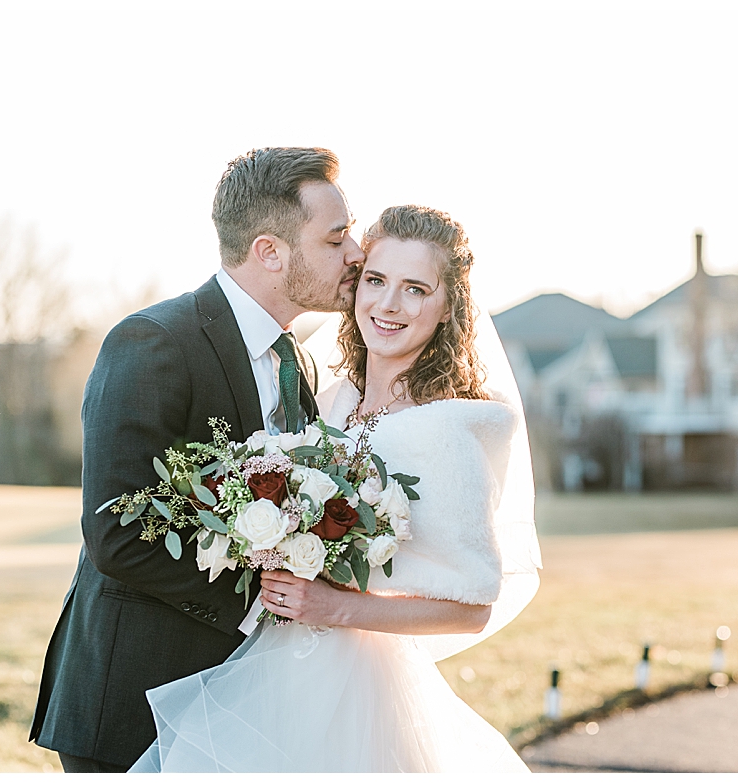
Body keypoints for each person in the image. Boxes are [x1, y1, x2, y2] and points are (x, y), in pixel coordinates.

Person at [128, 205, 542, 773]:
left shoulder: (449, 429)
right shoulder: (331, 400)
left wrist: (337, 606)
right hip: (272, 666)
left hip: (359, 693)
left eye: (416, 289)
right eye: (376, 280)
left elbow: (470, 608)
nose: (388, 305)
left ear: (449, 308)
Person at [29, 147, 365, 772]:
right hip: (140, 701)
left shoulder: (303, 362)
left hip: (248, 706)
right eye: (337, 237)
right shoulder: (155, 343)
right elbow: (115, 532)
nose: (357, 253)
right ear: (271, 252)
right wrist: (262, 600)